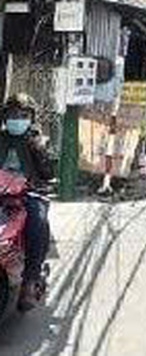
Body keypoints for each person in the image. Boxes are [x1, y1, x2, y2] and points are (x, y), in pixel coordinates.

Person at [0, 94, 53, 310]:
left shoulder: (39, 141)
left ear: (31, 118)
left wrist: (38, 149)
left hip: (27, 194)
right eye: (12, 114)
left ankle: (30, 279)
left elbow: (48, 173)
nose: (17, 119)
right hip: (1, 191)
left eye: (22, 115)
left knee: (38, 220)